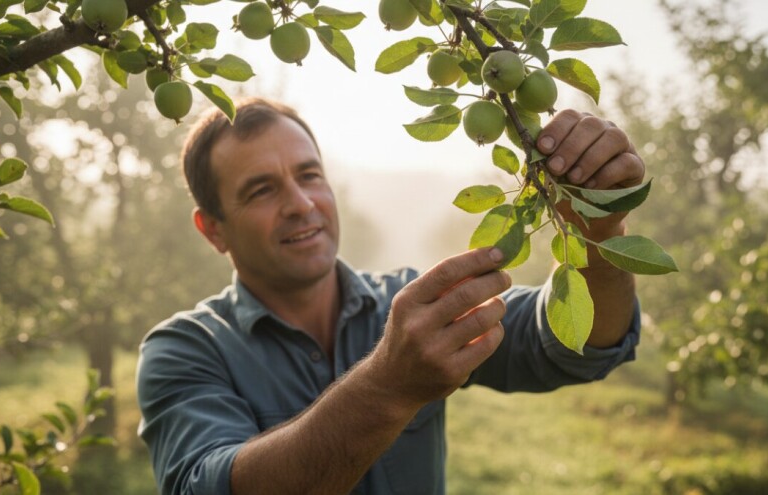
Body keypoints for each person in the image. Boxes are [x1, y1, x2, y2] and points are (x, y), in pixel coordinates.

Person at [136, 97, 644, 495]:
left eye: (310, 175)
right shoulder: (184, 349)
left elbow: (574, 344)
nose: (300, 203)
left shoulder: (406, 305)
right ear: (213, 231)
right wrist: (388, 388)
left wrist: (598, 232)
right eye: (261, 190)